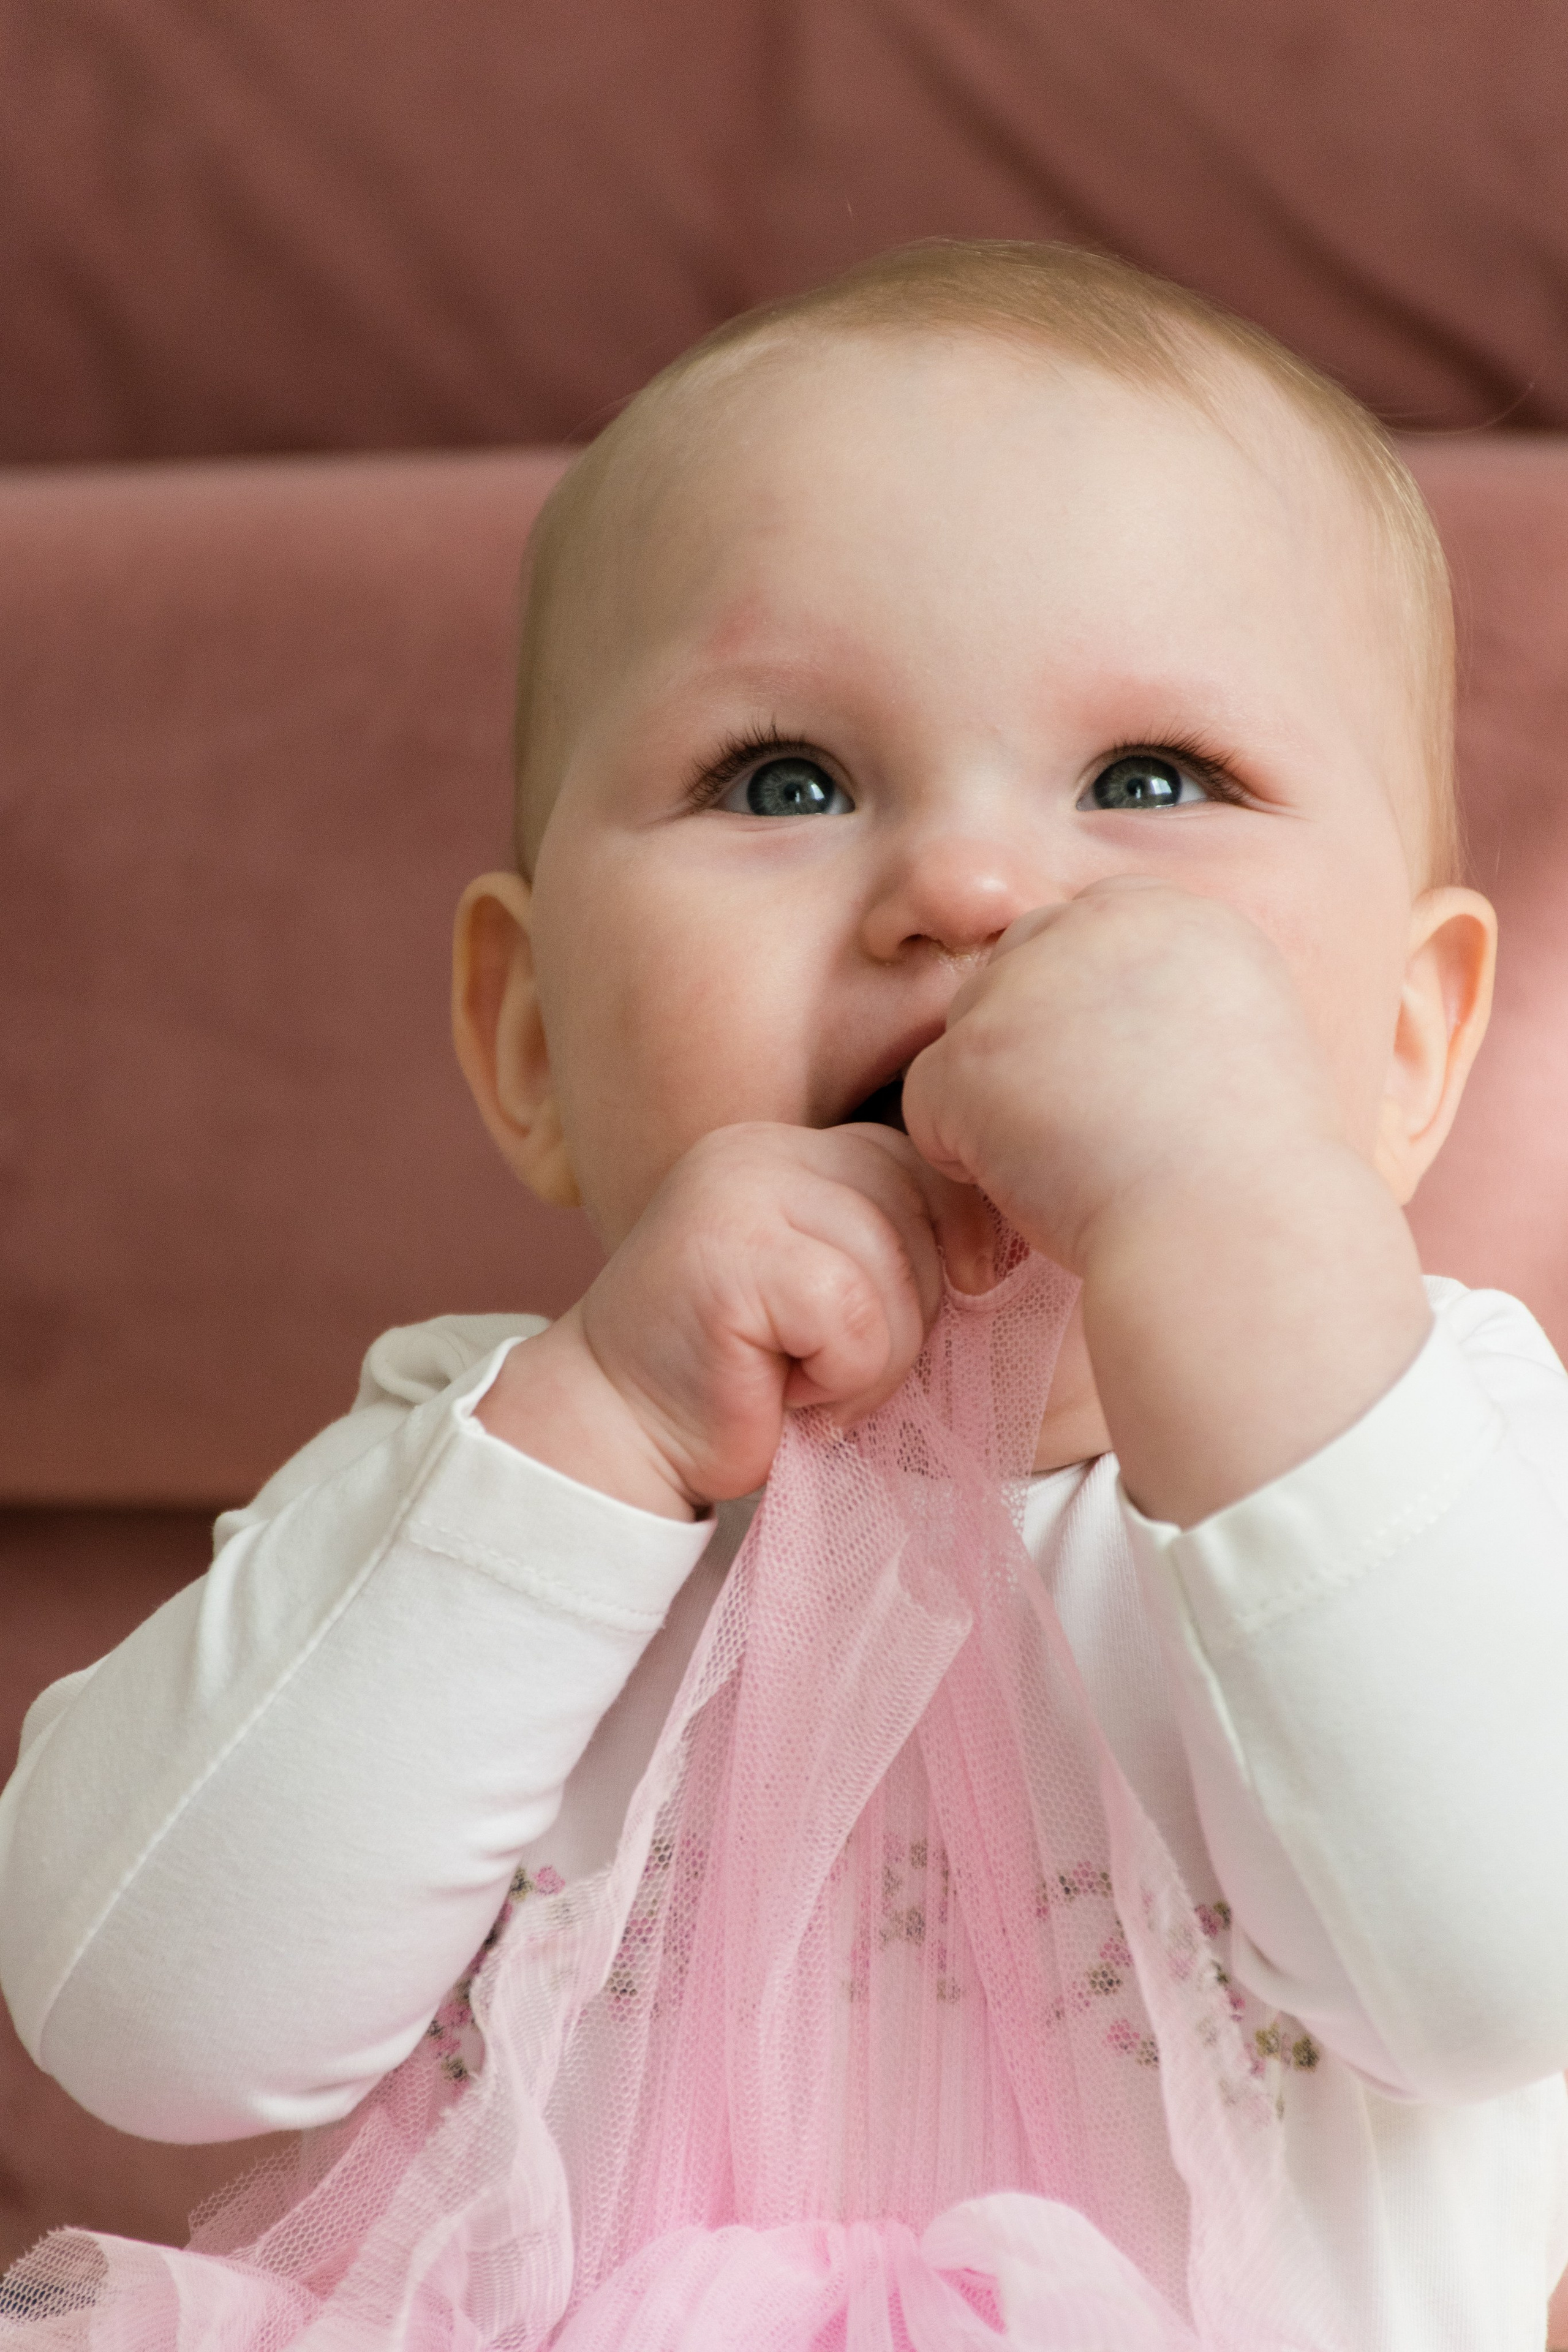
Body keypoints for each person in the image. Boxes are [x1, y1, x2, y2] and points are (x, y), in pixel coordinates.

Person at [4, 241, 1568, 2349]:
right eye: (787, 780)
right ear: (534, 1037)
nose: (972, 892)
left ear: (1402, 1051)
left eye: (1156, 781)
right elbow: (137, 2021)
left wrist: (1239, 1234)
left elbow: (1503, 1958)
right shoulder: (485, 1471)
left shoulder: (1441, 1449)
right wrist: (600, 1441)